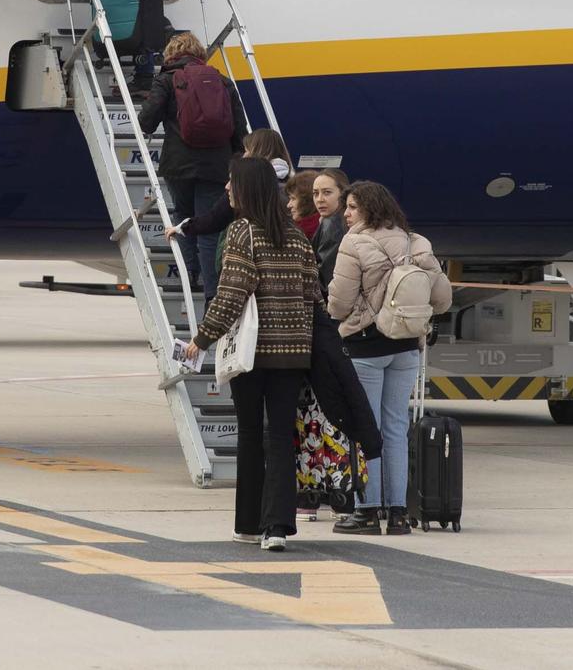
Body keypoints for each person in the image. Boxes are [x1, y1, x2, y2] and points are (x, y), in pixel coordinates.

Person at [182, 158, 319, 552]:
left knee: (250, 434)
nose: (226, 189)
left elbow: (232, 294)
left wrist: (201, 339)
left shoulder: (243, 232)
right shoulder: (295, 235)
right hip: (293, 354)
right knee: (280, 435)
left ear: (247, 189)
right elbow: (314, 294)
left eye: (231, 183)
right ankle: (277, 527)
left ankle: (248, 523)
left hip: (252, 354)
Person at [327, 180, 449, 537]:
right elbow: (441, 298)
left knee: (367, 428)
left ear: (367, 209)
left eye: (351, 207)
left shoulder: (354, 242)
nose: (345, 214)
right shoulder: (417, 242)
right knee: (396, 427)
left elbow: (340, 302)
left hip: (366, 346)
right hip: (407, 346)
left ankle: (366, 510)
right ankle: (397, 513)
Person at [139, 32, 246, 306]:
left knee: (184, 217)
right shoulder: (221, 81)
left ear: (171, 54)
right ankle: (212, 294)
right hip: (217, 165)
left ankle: (189, 274)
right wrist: (236, 165)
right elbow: (239, 130)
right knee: (210, 227)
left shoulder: (166, 79)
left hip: (178, 164)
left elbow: (146, 121)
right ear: (200, 53)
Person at [166, 129, 291, 313]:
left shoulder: (245, 187)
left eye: (248, 150)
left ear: (259, 151)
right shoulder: (288, 183)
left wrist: (182, 227)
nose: (244, 155)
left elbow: (214, 219)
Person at [310, 168, 350, 290]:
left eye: (327, 192)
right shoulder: (337, 220)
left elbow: (325, 279)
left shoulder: (332, 224)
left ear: (343, 194)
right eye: (315, 193)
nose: (319, 199)